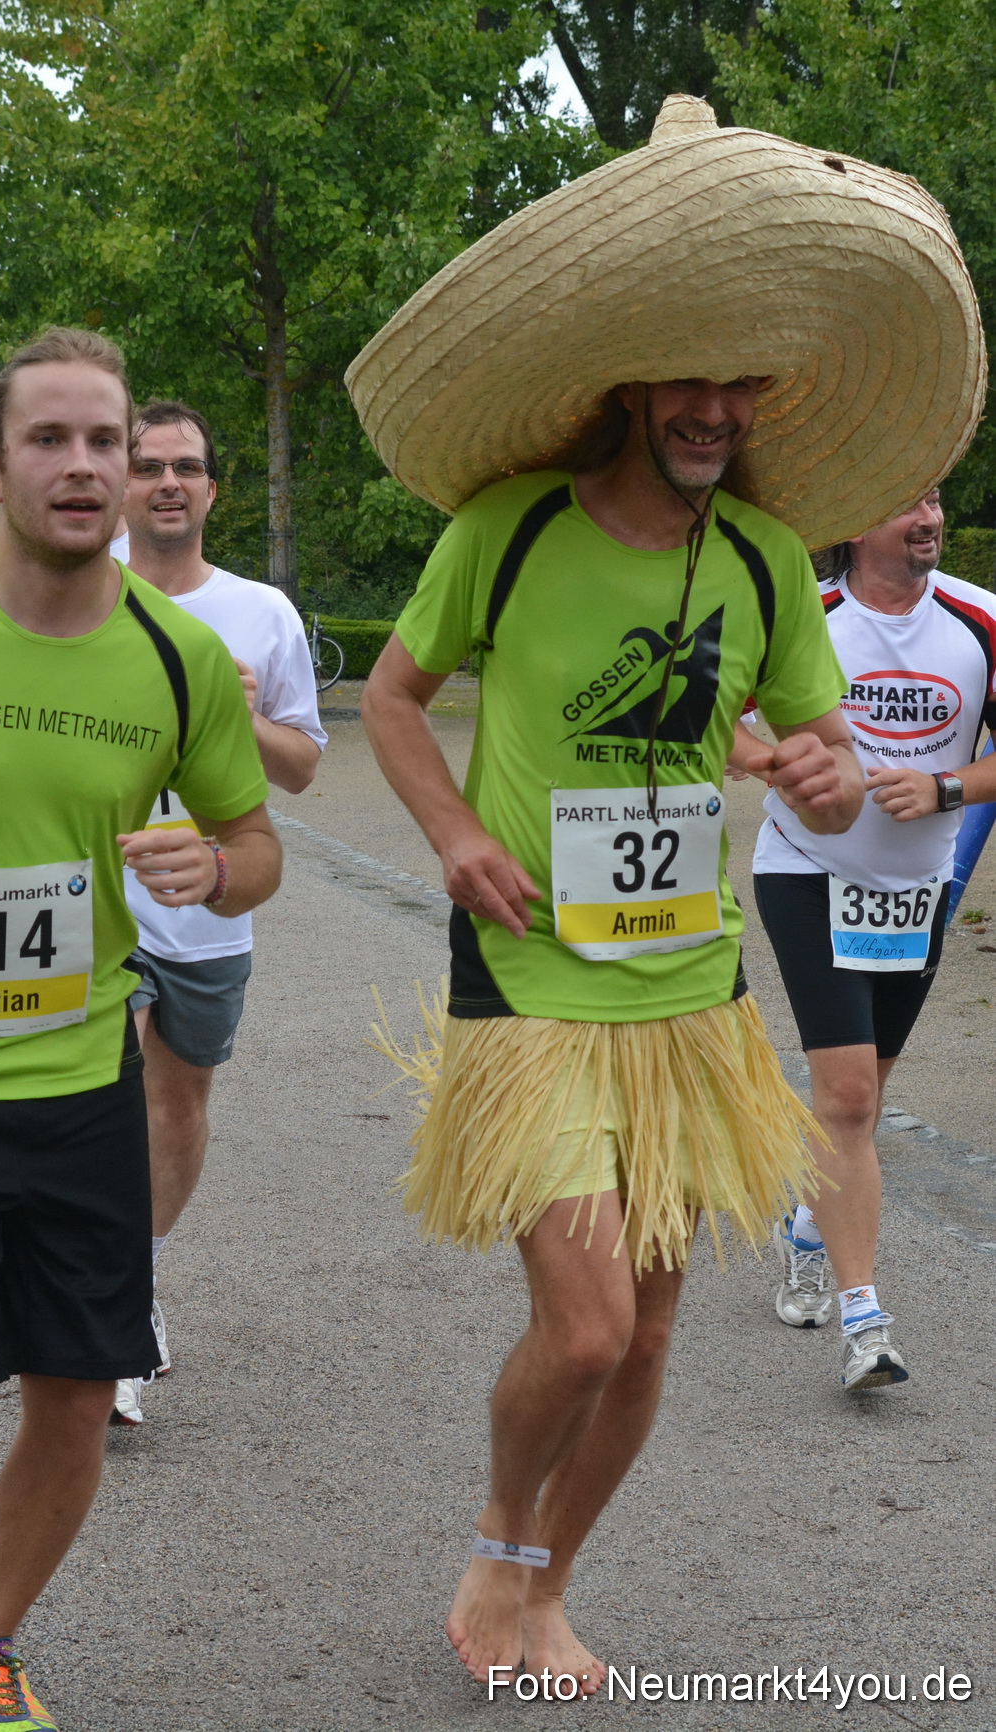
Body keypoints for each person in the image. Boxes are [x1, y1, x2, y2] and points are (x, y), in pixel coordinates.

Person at [350, 95, 982, 1695]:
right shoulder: (507, 531)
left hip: (687, 993)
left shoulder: (769, 558)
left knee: (645, 1338)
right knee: (575, 1330)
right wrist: (447, 835)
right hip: (529, 983)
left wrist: (827, 771)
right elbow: (395, 697)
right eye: (684, 376)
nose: (709, 406)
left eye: (733, 380)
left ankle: (548, 1589)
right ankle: (500, 1541)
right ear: (630, 383)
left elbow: (817, 737)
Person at [0, 328, 279, 1729]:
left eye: (107, 441)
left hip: (88, 1067)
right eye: (53, 439)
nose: (86, 465)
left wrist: (215, 870)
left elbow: (256, 841)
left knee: (80, 1397)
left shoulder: (176, 659)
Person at [743, 486, 996, 1389]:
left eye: (933, 499)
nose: (926, 516)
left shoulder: (980, 619)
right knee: (846, 1097)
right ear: (854, 521)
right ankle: (865, 1321)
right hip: (806, 872)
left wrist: (947, 790)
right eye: (902, 502)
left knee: (862, 1100)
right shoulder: (797, 615)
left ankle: (807, 1226)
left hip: (916, 889)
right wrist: (783, 766)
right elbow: (709, 716)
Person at [112, 398, 325, 1425]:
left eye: (185, 466)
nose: (166, 481)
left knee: (177, 1100)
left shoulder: (261, 613)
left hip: (208, 910)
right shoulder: (76, 590)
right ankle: (96, 1308)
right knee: (92, 1098)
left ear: (210, 486)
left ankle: (134, 1280)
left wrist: (243, 715)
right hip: (89, 906)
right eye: (146, 462)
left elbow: (303, 772)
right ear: (119, 478)